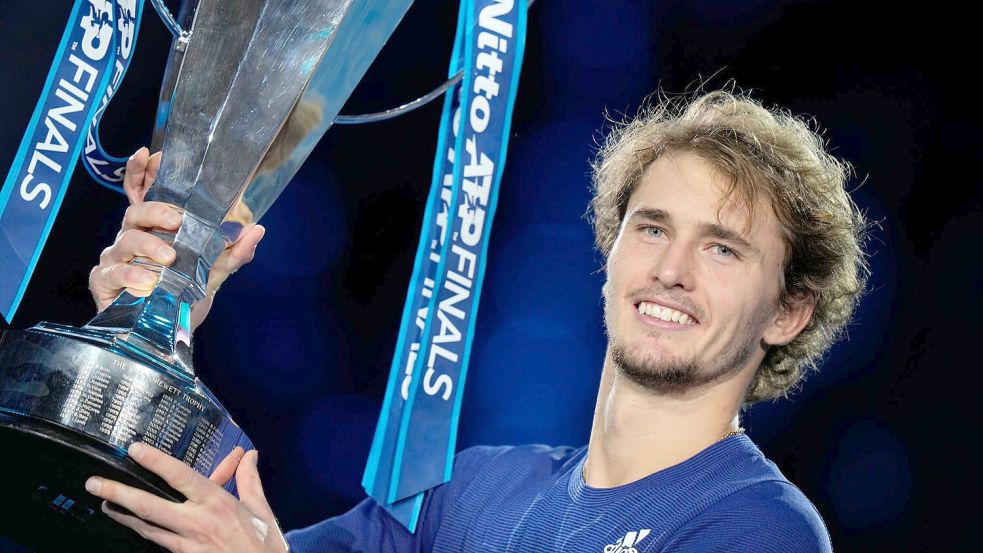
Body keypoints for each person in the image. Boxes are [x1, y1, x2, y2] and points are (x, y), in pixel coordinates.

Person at [83, 89, 869, 552]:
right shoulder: (463, 490)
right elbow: (192, 528)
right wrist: (160, 319)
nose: (671, 268)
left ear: (788, 311)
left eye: (723, 249)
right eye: (652, 227)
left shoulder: (756, 530)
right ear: (612, 247)